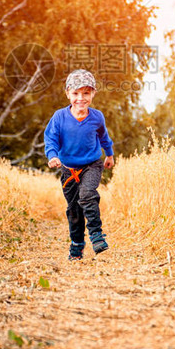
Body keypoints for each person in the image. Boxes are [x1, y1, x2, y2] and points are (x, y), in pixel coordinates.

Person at [44, 69, 115, 260]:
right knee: (74, 210)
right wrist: (52, 156)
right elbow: (51, 139)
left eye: (86, 93)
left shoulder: (97, 117)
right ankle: (77, 244)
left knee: (87, 195)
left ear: (93, 94)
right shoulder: (59, 117)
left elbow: (104, 137)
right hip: (68, 170)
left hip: (92, 164)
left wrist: (109, 155)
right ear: (68, 93)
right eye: (75, 93)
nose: (80, 98)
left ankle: (96, 234)